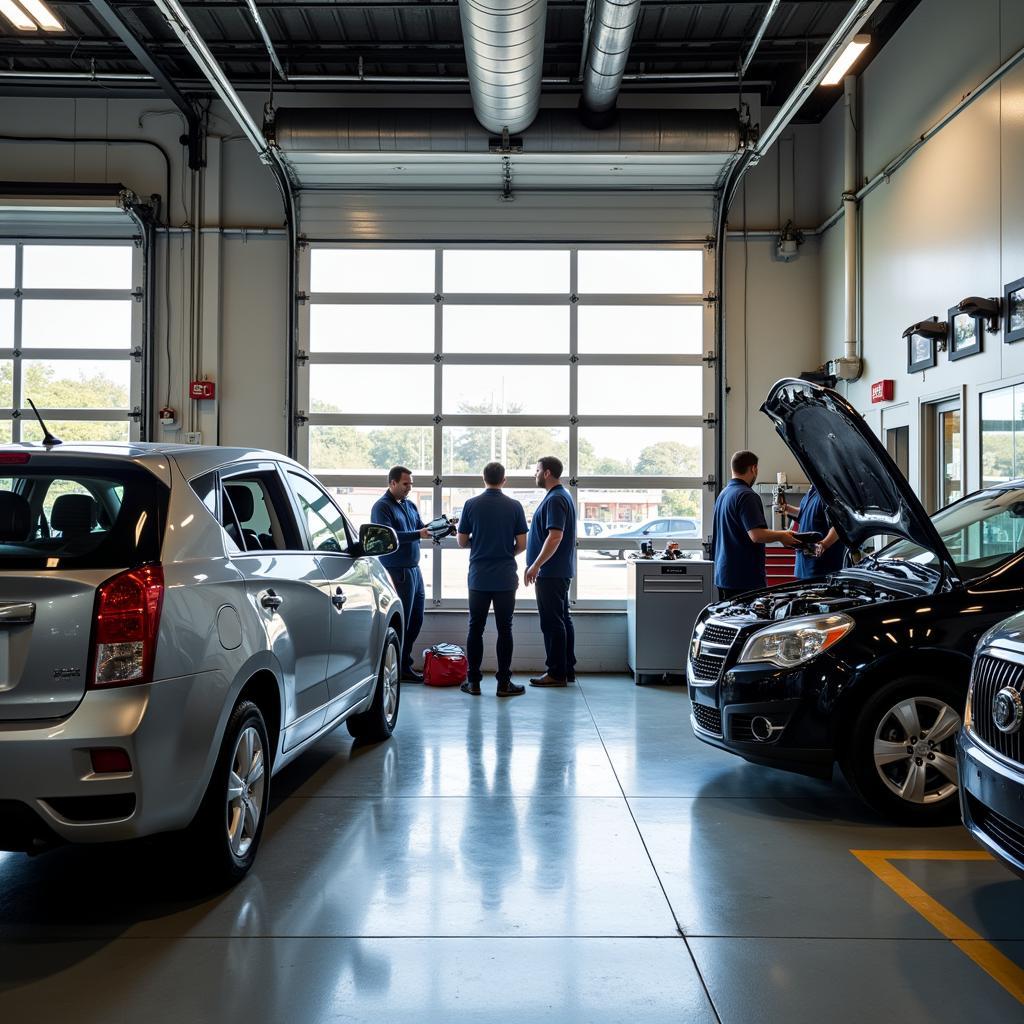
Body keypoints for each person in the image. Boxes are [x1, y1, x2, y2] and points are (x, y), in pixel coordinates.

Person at [456, 462, 529, 698]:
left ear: (483, 478)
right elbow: (522, 545)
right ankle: (503, 684)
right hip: (505, 577)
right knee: (504, 629)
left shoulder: (471, 505)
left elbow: (461, 541)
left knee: (475, 628)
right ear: (504, 480)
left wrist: (478, 544)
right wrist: (506, 552)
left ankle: (474, 682)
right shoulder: (515, 506)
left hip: (478, 577)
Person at [712, 450, 800, 600]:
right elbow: (757, 535)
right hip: (744, 579)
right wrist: (782, 535)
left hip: (724, 575)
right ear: (753, 468)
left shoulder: (724, 494)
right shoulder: (747, 495)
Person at [371, 466, 431, 682]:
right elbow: (388, 536)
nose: (408, 488)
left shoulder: (409, 505)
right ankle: (399, 667)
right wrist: (418, 534)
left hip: (414, 570)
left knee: (416, 619)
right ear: (392, 483)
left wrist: (436, 528)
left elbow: (420, 527)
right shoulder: (382, 507)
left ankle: (405, 662)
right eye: (405, 484)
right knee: (402, 621)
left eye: (411, 484)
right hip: (397, 571)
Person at [524, 456, 577, 687]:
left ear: (546, 473)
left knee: (552, 622)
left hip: (551, 573)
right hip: (559, 571)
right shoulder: (561, 496)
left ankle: (556, 673)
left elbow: (555, 536)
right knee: (562, 619)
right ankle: (566, 669)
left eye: (537, 470)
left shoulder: (555, 499)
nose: (534, 474)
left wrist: (536, 565)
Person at [778, 484, 847, 579]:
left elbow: (840, 524)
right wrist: (787, 508)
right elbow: (804, 514)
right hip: (803, 566)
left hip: (821, 568)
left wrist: (823, 544)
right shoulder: (812, 491)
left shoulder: (830, 493)